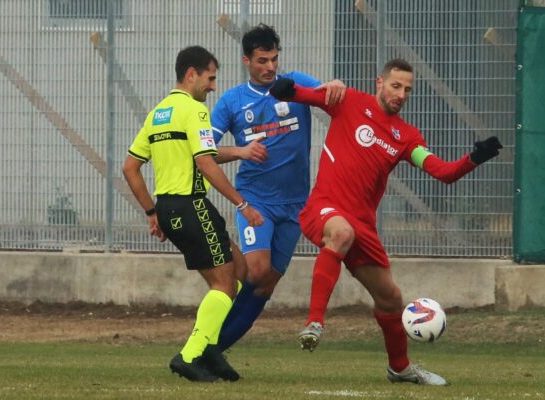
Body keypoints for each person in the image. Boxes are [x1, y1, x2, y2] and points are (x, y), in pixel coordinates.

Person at [269, 58, 502, 385]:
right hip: (325, 208)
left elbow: (442, 172)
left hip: (363, 228)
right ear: (379, 83)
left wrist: (473, 159)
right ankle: (315, 323)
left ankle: (400, 369)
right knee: (340, 232)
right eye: (396, 86)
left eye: (408, 89)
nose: (402, 93)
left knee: (391, 299)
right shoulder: (348, 100)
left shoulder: (406, 137)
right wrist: (283, 89)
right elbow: (299, 94)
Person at [207, 23, 346, 368]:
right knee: (257, 268)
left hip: (296, 204)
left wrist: (337, 85)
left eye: (274, 59)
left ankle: (212, 351)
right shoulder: (233, 101)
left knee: (265, 285)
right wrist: (240, 151)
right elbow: (204, 152)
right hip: (255, 200)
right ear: (246, 61)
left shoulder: (293, 84)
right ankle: (218, 247)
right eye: (262, 60)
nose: (270, 67)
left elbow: (329, 93)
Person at [122, 45, 263, 383]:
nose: (213, 86)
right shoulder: (194, 110)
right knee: (225, 284)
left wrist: (152, 212)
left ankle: (210, 348)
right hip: (192, 204)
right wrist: (242, 204)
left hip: (171, 207)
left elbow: (130, 167)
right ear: (191, 75)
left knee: (240, 268)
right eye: (210, 78)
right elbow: (204, 162)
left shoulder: (159, 113)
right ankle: (189, 356)